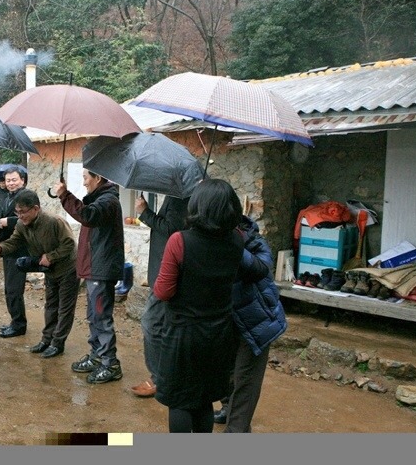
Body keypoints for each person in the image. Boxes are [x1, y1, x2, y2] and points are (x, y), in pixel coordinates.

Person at [152, 179, 269, 432]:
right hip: (218, 333)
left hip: (183, 335)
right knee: (203, 399)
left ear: (196, 206)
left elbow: (163, 291)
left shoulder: (179, 241)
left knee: (180, 401)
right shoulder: (237, 240)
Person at [214, 215, 287, 432]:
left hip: (256, 320)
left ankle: (236, 430)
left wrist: (232, 244)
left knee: (246, 378)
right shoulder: (208, 237)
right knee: (225, 369)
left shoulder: (251, 238)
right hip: (227, 318)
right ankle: (228, 408)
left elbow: (262, 267)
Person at [52, 169, 124, 384]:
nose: (83, 183)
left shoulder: (108, 201)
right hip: (95, 268)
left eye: (85, 178)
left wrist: (65, 195)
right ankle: (97, 355)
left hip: (101, 270)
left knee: (101, 316)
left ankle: (110, 363)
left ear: (98, 178)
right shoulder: (100, 199)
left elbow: (88, 216)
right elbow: (87, 211)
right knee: (94, 316)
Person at [0, 190, 80, 358]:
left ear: (36, 209)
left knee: (64, 308)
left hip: (68, 268)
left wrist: (51, 256)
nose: (20, 216)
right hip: (50, 270)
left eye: (23, 212)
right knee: (50, 305)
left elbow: (69, 244)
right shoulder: (21, 224)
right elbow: (14, 242)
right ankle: (47, 340)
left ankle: (58, 343)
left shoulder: (54, 221)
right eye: (17, 212)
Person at [131, 193, 190, 398]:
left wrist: (145, 212)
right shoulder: (176, 196)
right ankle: (169, 375)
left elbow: (172, 229)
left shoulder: (179, 198)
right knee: (166, 326)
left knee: (151, 322)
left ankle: (159, 379)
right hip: (164, 272)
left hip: (167, 275)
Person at [0, 166, 29, 338]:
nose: (11, 183)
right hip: (7, 247)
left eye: (14, 180)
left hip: (19, 247)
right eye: (8, 180)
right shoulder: (6, 196)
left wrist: (10, 221)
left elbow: (31, 217)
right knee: (9, 288)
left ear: (22, 180)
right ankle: (15, 321)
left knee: (14, 289)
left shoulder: (26, 196)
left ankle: (19, 325)